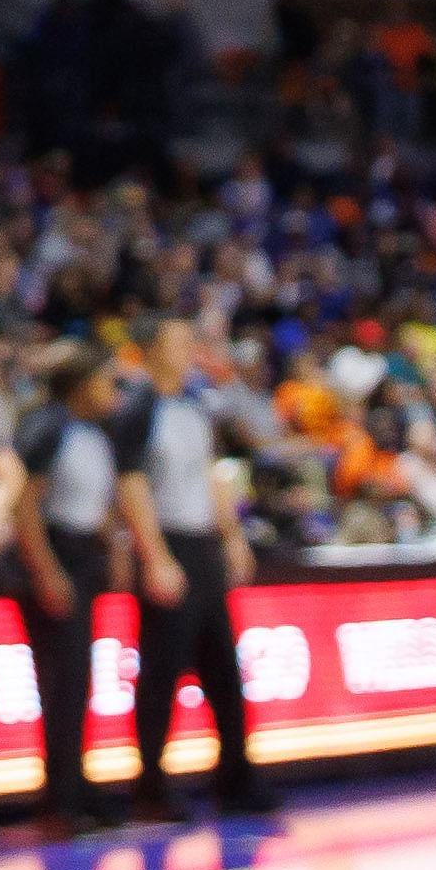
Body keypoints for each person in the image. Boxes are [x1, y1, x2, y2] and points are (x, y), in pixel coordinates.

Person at [115, 321, 266, 810]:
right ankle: (152, 786)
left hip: (203, 543)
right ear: (152, 350)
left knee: (223, 666)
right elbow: (131, 485)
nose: (187, 352)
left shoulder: (197, 406)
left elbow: (210, 474)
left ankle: (237, 778)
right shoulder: (138, 408)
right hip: (169, 542)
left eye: (190, 343)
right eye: (177, 342)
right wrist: (155, 555)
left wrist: (233, 534)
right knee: (162, 669)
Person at [0, 343, 115, 824]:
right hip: (53, 555)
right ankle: (61, 801)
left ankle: (78, 787)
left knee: (79, 681)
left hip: (82, 555)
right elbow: (25, 506)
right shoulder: (47, 428)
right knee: (61, 682)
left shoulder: (92, 432)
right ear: (83, 385)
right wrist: (46, 571)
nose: (113, 391)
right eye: (106, 380)